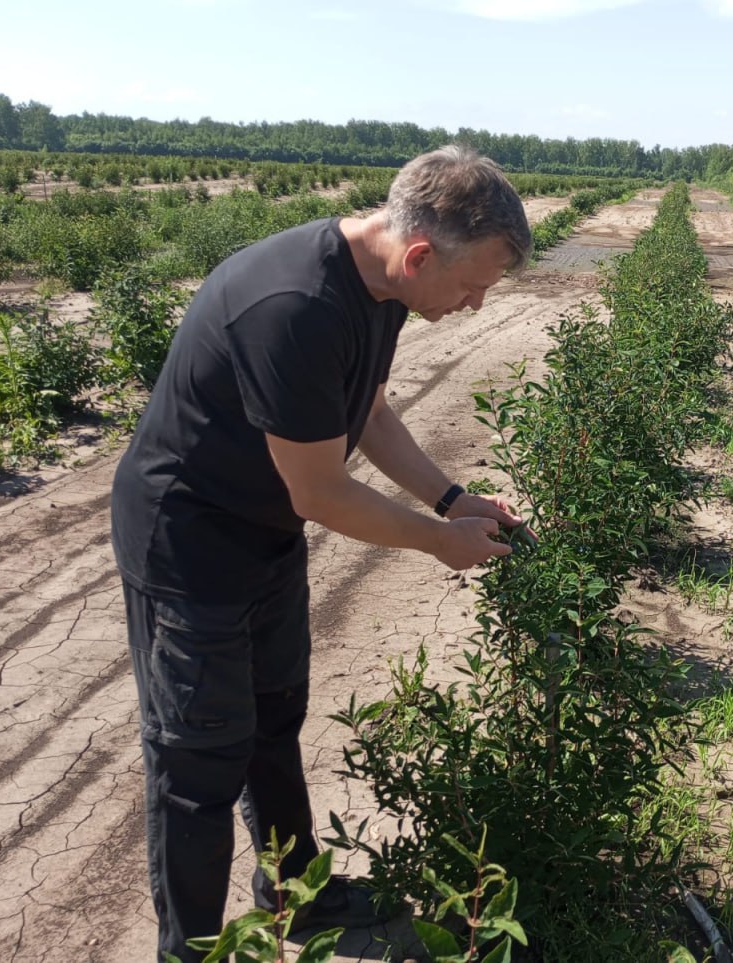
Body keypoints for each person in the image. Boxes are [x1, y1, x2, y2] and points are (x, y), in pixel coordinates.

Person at [110, 145, 533, 963]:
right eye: (473, 284)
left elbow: (366, 410)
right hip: (188, 544)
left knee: (273, 720)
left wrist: (450, 498)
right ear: (418, 254)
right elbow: (322, 493)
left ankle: (293, 894)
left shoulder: (381, 288)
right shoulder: (296, 305)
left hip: (261, 530)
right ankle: (189, 951)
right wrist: (438, 541)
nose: (477, 303)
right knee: (198, 758)